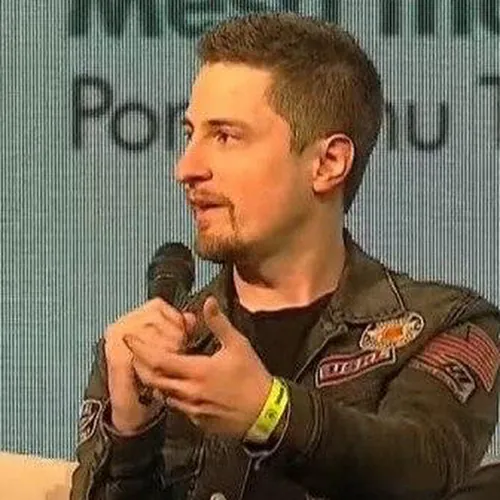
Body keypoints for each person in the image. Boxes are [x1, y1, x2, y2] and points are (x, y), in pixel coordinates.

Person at [70, 12, 500, 500]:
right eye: (190, 134)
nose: (186, 168)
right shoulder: (145, 349)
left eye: (225, 137)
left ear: (327, 163)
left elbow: (421, 466)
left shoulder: (445, 325)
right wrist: (130, 438)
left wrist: (269, 412)